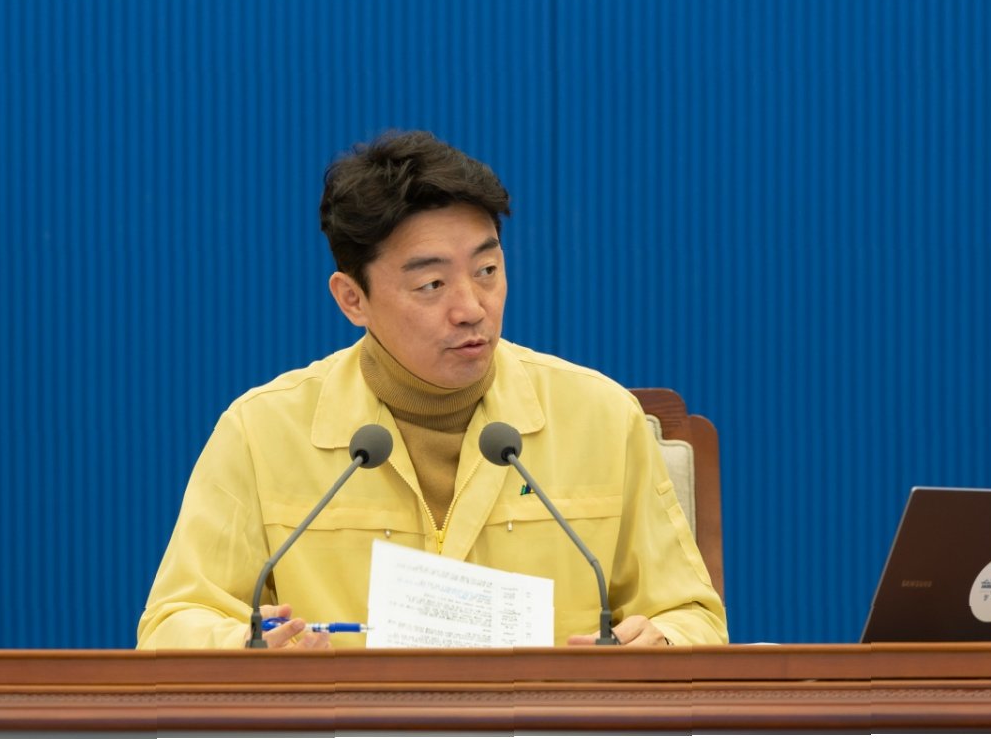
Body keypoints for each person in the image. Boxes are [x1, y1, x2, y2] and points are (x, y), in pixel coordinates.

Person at [137, 131, 728, 650]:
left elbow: (692, 615)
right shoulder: (263, 433)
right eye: (432, 285)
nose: (471, 308)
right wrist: (249, 648)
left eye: (487, 271)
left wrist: (660, 642)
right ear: (352, 299)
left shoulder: (600, 419)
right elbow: (173, 622)